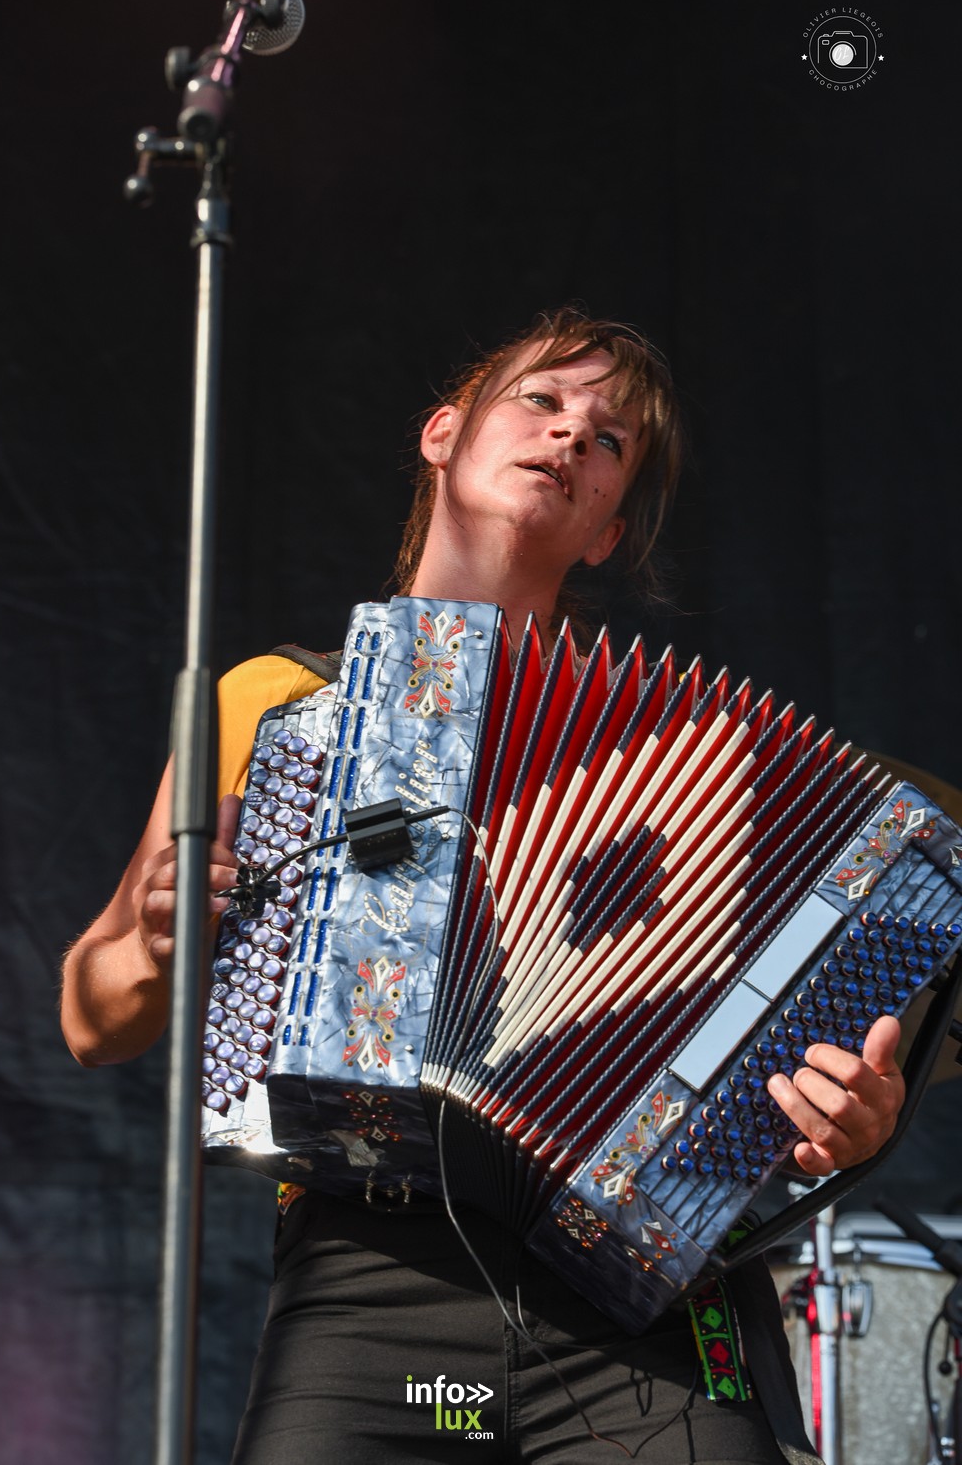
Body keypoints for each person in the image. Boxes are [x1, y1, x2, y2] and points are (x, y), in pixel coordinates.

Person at [61, 309, 905, 1463]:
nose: (571, 437)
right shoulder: (275, 702)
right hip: (376, 1289)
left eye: (609, 441)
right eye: (541, 401)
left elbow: (777, 1071)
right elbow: (91, 1017)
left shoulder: (687, 762)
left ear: (608, 529)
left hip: (641, 1308)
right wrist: (155, 938)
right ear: (442, 434)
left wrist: (842, 1121)